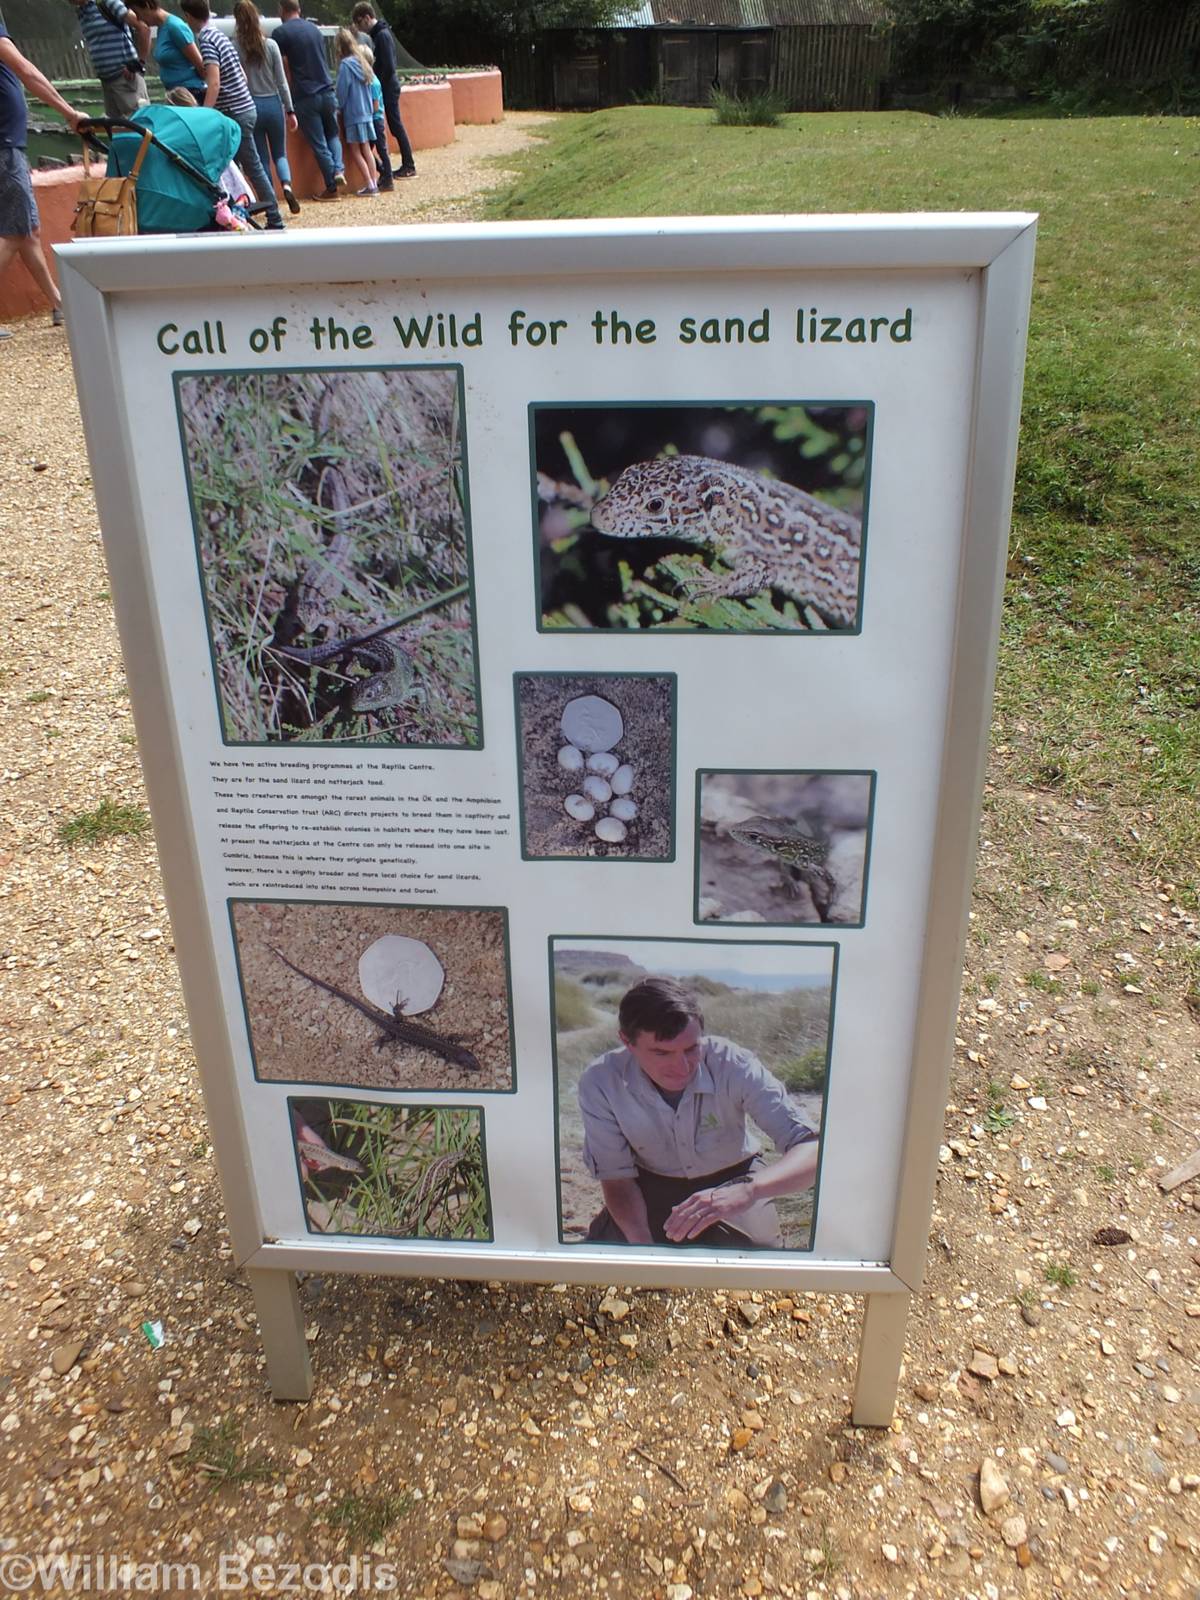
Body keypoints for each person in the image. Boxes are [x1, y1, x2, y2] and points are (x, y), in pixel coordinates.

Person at [576, 976, 819, 1248]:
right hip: (649, 1181)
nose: (682, 1067)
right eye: (662, 1053)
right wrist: (643, 1250)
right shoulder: (600, 1081)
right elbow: (617, 1180)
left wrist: (750, 1189)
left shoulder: (732, 1062)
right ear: (627, 1041)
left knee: (757, 1255)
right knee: (609, 1255)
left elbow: (811, 1148)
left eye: (691, 1048)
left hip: (734, 1175)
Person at [0, 24, 85, 336]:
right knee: (13, 232)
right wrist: (68, 111)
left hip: (9, 144)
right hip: (5, 145)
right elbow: (26, 70)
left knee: (27, 230)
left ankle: (57, 301)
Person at [179, 0, 285, 230]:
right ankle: (237, 214)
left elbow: (214, 81)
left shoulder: (206, 41)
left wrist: (204, 115)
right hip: (245, 107)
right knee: (235, 167)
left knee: (252, 166)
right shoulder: (220, 36)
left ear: (188, 16)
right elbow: (243, 78)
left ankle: (275, 218)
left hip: (234, 113)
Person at [233, 0, 300, 216]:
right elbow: (282, 82)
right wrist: (290, 110)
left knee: (261, 158)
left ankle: (271, 202)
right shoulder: (271, 45)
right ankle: (287, 185)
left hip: (250, 105)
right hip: (273, 103)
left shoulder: (236, 47)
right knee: (280, 153)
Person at [275, 0, 345, 201]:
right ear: (299, 9)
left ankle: (332, 186)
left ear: (282, 9)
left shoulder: (281, 33)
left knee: (319, 143)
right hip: (327, 89)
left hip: (305, 94)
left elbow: (282, 68)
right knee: (332, 134)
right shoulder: (314, 29)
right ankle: (339, 170)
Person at [349, 3, 414, 180]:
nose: (362, 29)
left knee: (395, 125)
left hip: (389, 86)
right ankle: (403, 165)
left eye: (361, 23)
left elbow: (388, 66)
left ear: (367, 18)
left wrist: (376, 81)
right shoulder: (380, 34)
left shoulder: (382, 36)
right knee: (394, 125)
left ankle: (409, 165)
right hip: (387, 85)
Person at [69, 0, 151, 120]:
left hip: (126, 79)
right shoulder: (82, 11)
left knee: (140, 124)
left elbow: (143, 27)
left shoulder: (109, 2)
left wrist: (139, 63)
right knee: (117, 130)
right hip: (107, 81)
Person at [125, 1, 206, 100]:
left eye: (137, 13)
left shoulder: (175, 27)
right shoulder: (162, 28)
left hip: (189, 93)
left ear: (146, 6)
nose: (138, 18)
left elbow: (201, 66)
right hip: (174, 93)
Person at [333, 28, 377, 197]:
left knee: (355, 150)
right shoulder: (362, 62)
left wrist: (339, 106)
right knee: (367, 149)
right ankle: (374, 182)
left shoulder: (345, 66)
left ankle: (369, 183)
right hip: (366, 113)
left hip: (353, 114)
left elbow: (342, 92)